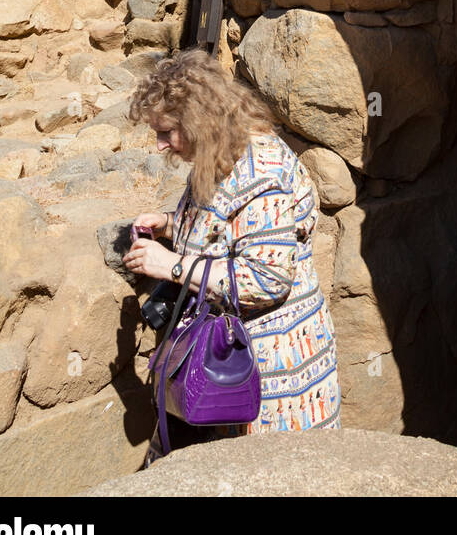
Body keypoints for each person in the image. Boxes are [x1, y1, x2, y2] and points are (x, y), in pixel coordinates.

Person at [123, 47, 341, 465]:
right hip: (225, 356)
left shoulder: (262, 170)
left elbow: (267, 278)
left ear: (198, 121)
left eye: (167, 132)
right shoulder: (216, 154)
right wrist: (170, 224)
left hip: (271, 372)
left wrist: (170, 265)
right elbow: (225, 228)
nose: (159, 145)